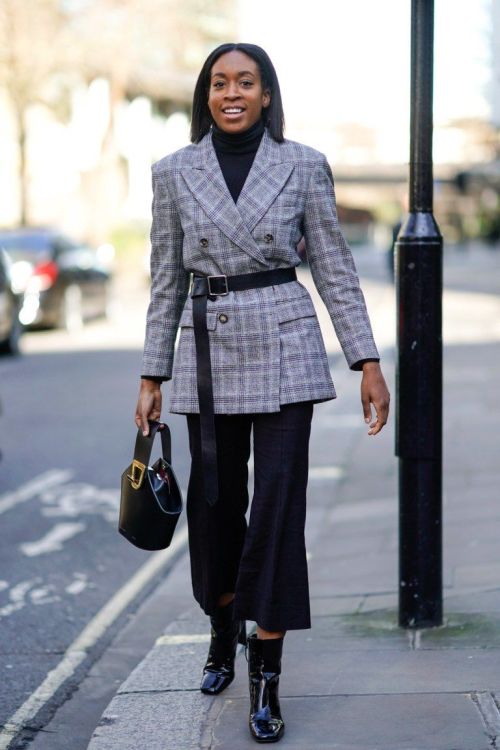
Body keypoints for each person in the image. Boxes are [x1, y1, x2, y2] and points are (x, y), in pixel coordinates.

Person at [135, 42, 390, 744]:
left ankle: (266, 677)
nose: (231, 93)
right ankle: (224, 628)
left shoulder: (303, 164)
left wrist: (366, 360)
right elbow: (165, 280)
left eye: (245, 82)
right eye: (219, 83)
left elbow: (334, 266)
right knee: (216, 508)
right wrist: (152, 375)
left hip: (286, 346)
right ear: (206, 95)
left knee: (278, 509)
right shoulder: (174, 172)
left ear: (267, 93)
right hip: (208, 351)